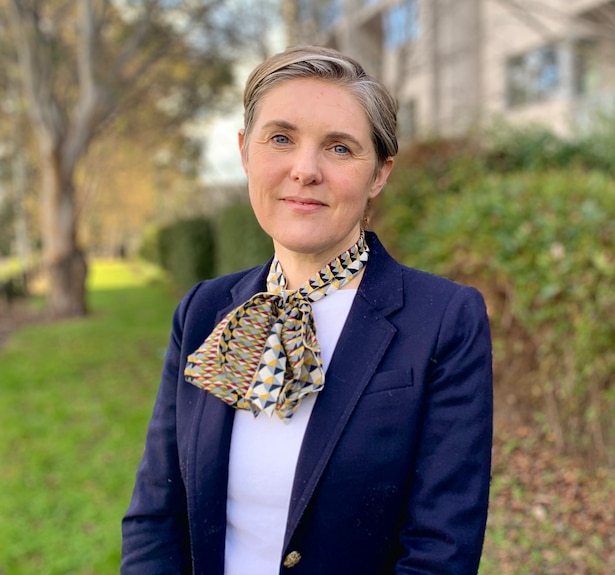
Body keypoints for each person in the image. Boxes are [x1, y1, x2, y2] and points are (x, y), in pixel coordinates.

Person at [121, 45, 494, 574]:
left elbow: (441, 550)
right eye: (281, 139)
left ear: (380, 175)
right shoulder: (205, 312)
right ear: (246, 152)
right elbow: (157, 515)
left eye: (340, 148)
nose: (305, 170)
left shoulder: (442, 321)